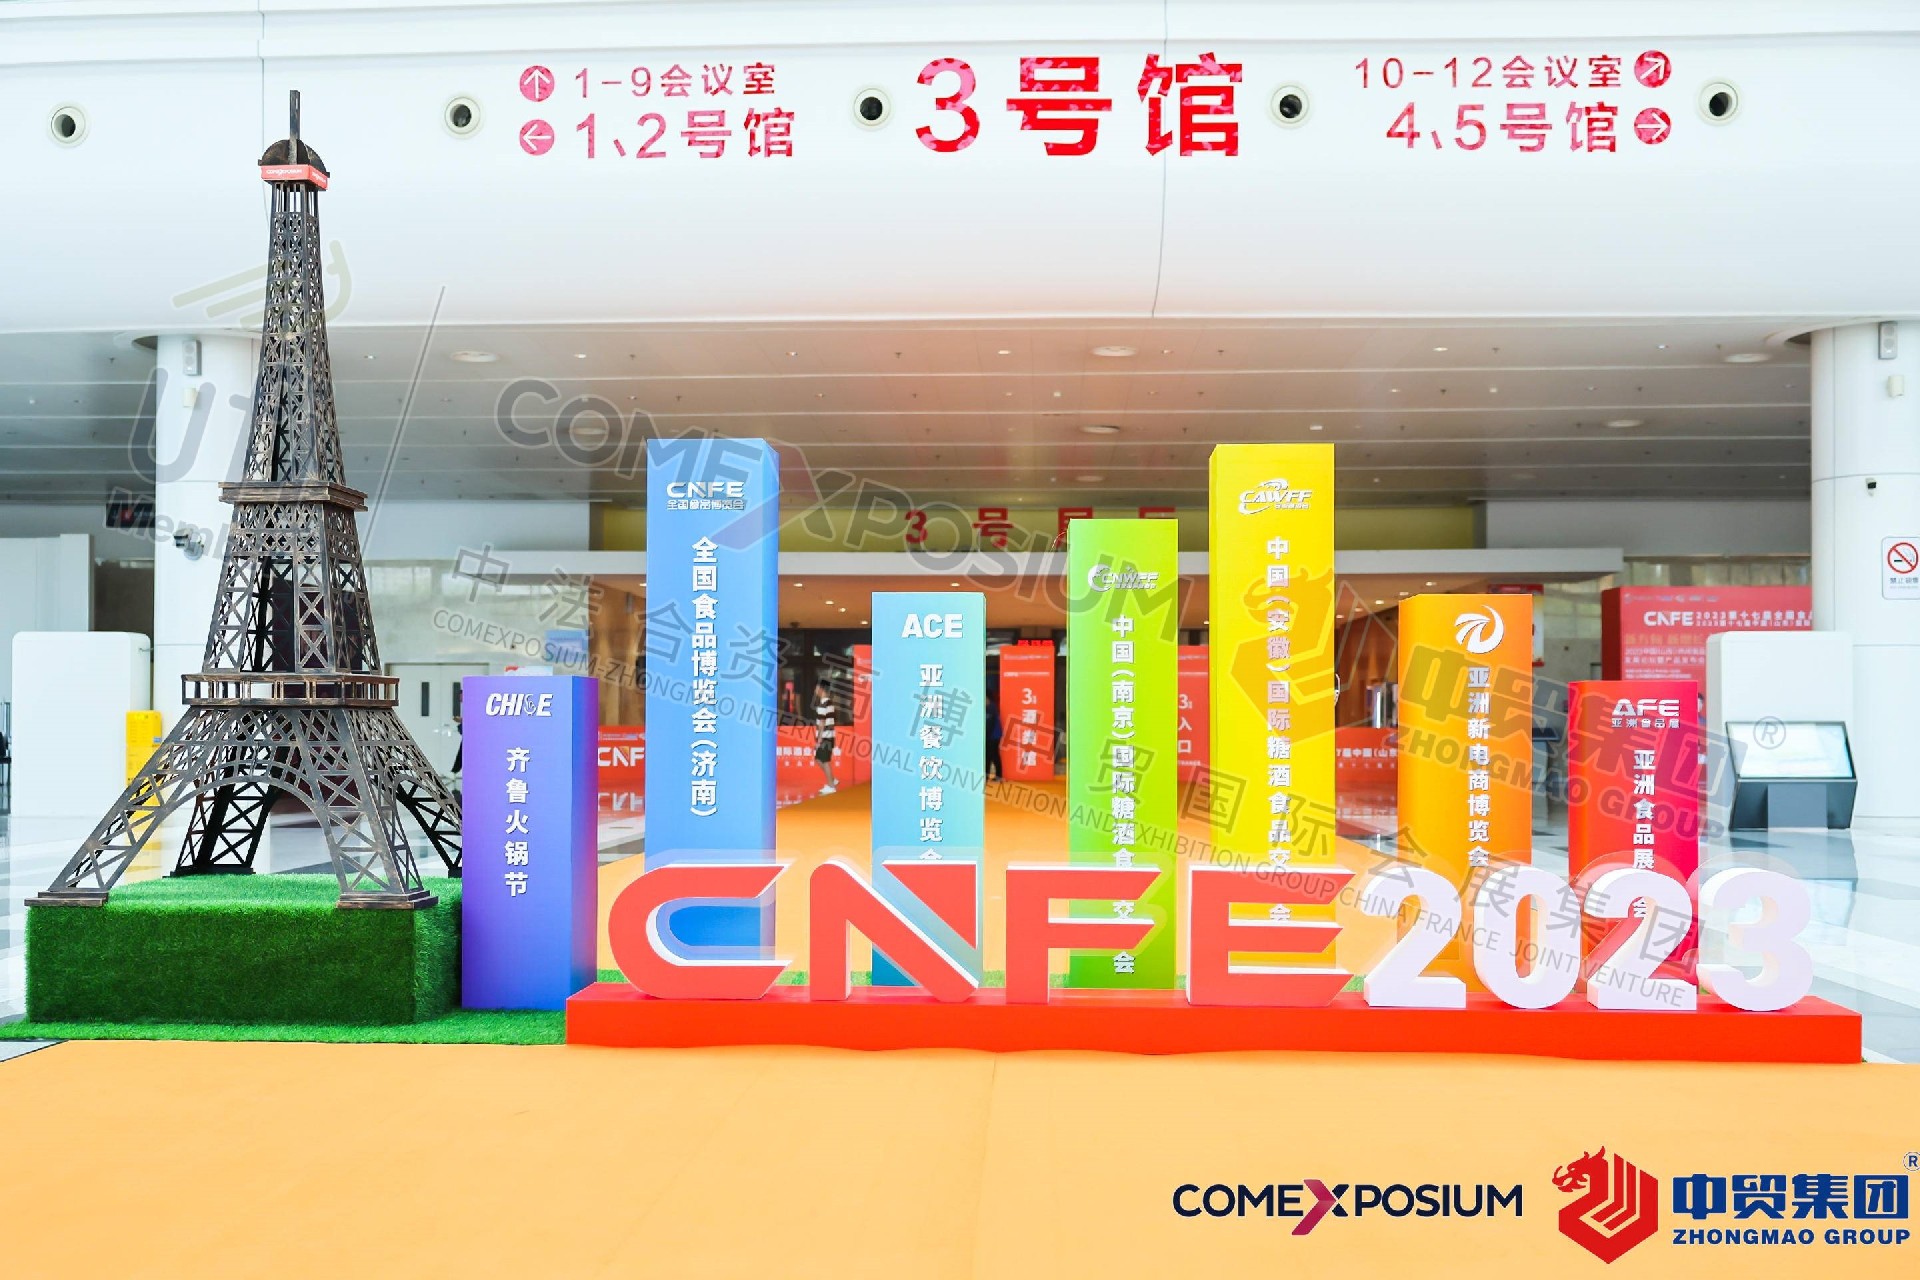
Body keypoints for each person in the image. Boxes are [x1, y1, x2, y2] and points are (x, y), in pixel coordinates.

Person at [812, 680, 838, 795]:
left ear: (821, 689)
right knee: (819, 759)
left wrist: (819, 739)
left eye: (816, 688)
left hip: (825, 737)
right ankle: (832, 780)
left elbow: (822, 722)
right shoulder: (830, 703)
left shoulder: (823, 704)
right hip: (830, 736)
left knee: (824, 761)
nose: (815, 690)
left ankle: (831, 786)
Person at [985, 690, 1003, 782]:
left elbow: (990, 724)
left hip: (994, 736)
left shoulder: (991, 708)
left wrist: (986, 735)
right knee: (988, 756)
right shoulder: (987, 707)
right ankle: (986, 775)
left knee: (994, 755)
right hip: (990, 736)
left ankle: (999, 776)